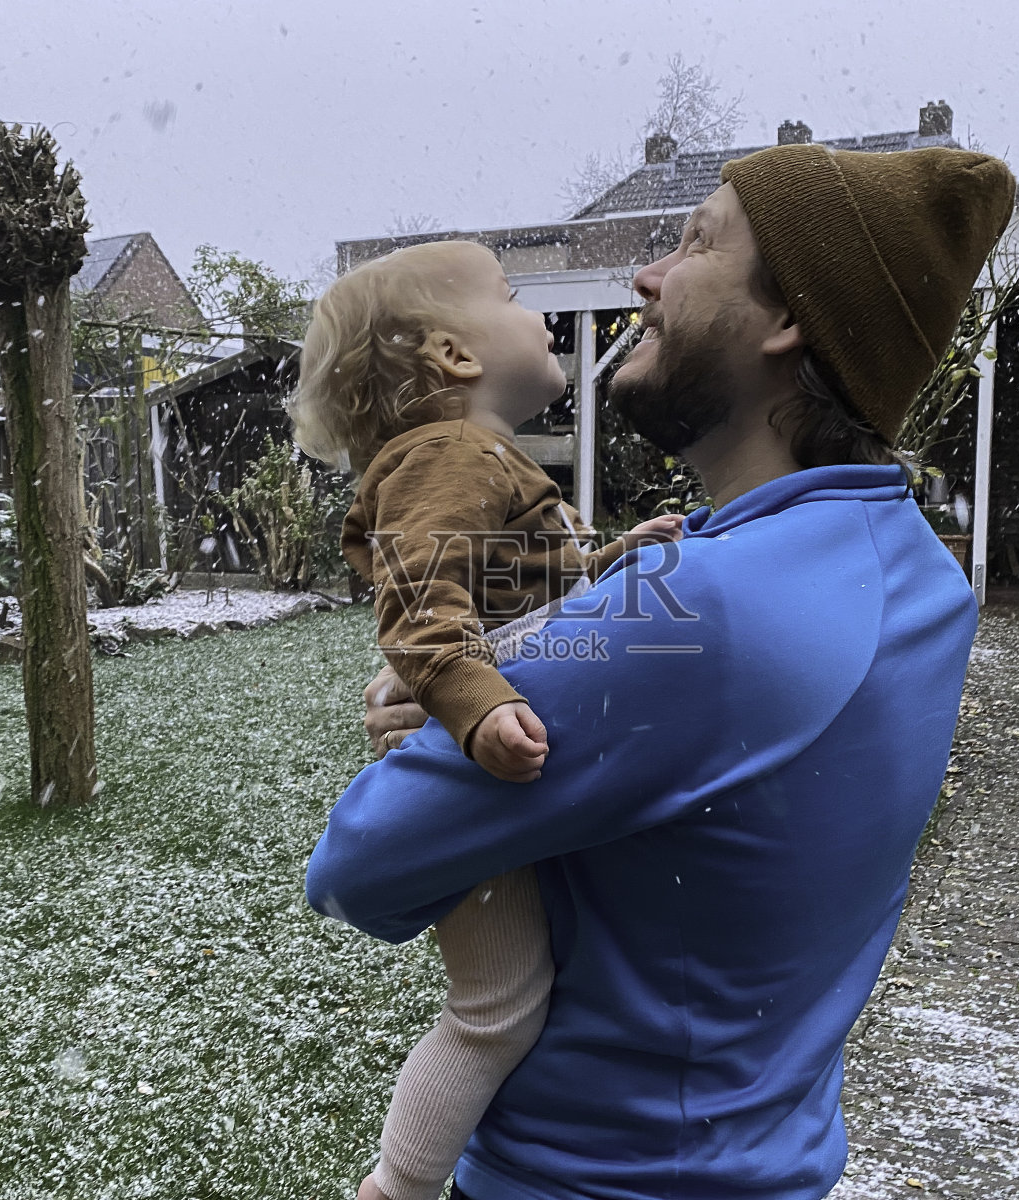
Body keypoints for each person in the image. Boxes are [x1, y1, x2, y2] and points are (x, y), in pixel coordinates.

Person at [308, 142, 1016, 1200]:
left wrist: (436, 709)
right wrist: (535, 645)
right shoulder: (918, 574)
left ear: (784, 324)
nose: (646, 276)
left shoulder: (695, 609)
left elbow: (361, 866)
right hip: (765, 1161)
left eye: (694, 243)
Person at [289, 239, 682, 1200]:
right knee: (495, 1011)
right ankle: (404, 1184)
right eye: (512, 297)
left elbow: (527, 594)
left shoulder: (473, 458)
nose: (535, 312)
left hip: (485, 747)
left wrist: (616, 559)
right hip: (482, 757)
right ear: (455, 357)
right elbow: (422, 612)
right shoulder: (450, 456)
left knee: (509, 998)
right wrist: (477, 711)